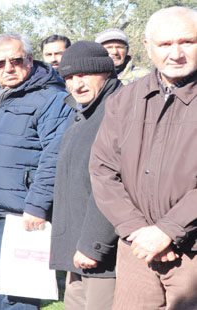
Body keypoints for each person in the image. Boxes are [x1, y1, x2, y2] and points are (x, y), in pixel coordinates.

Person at [90, 7, 197, 310]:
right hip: (136, 249)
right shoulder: (125, 100)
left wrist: (167, 231)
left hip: (192, 251)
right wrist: (137, 230)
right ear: (148, 47)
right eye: (164, 44)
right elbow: (102, 169)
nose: (176, 53)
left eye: (187, 42)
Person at [0, 32, 71, 310]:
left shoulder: (52, 98)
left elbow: (55, 157)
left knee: (20, 291)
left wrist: (37, 205)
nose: (8, 68)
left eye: (15, 60)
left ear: (30, 59)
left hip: (20, 212)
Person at [48, 41, 120, 310]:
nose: (75, 85)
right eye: (68, 77)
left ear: (106, 72)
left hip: (103, 254)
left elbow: (113, 185)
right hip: (79, 249)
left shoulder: (115, 111)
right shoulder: (84, 111)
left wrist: (94, 244)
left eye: (83, 75)